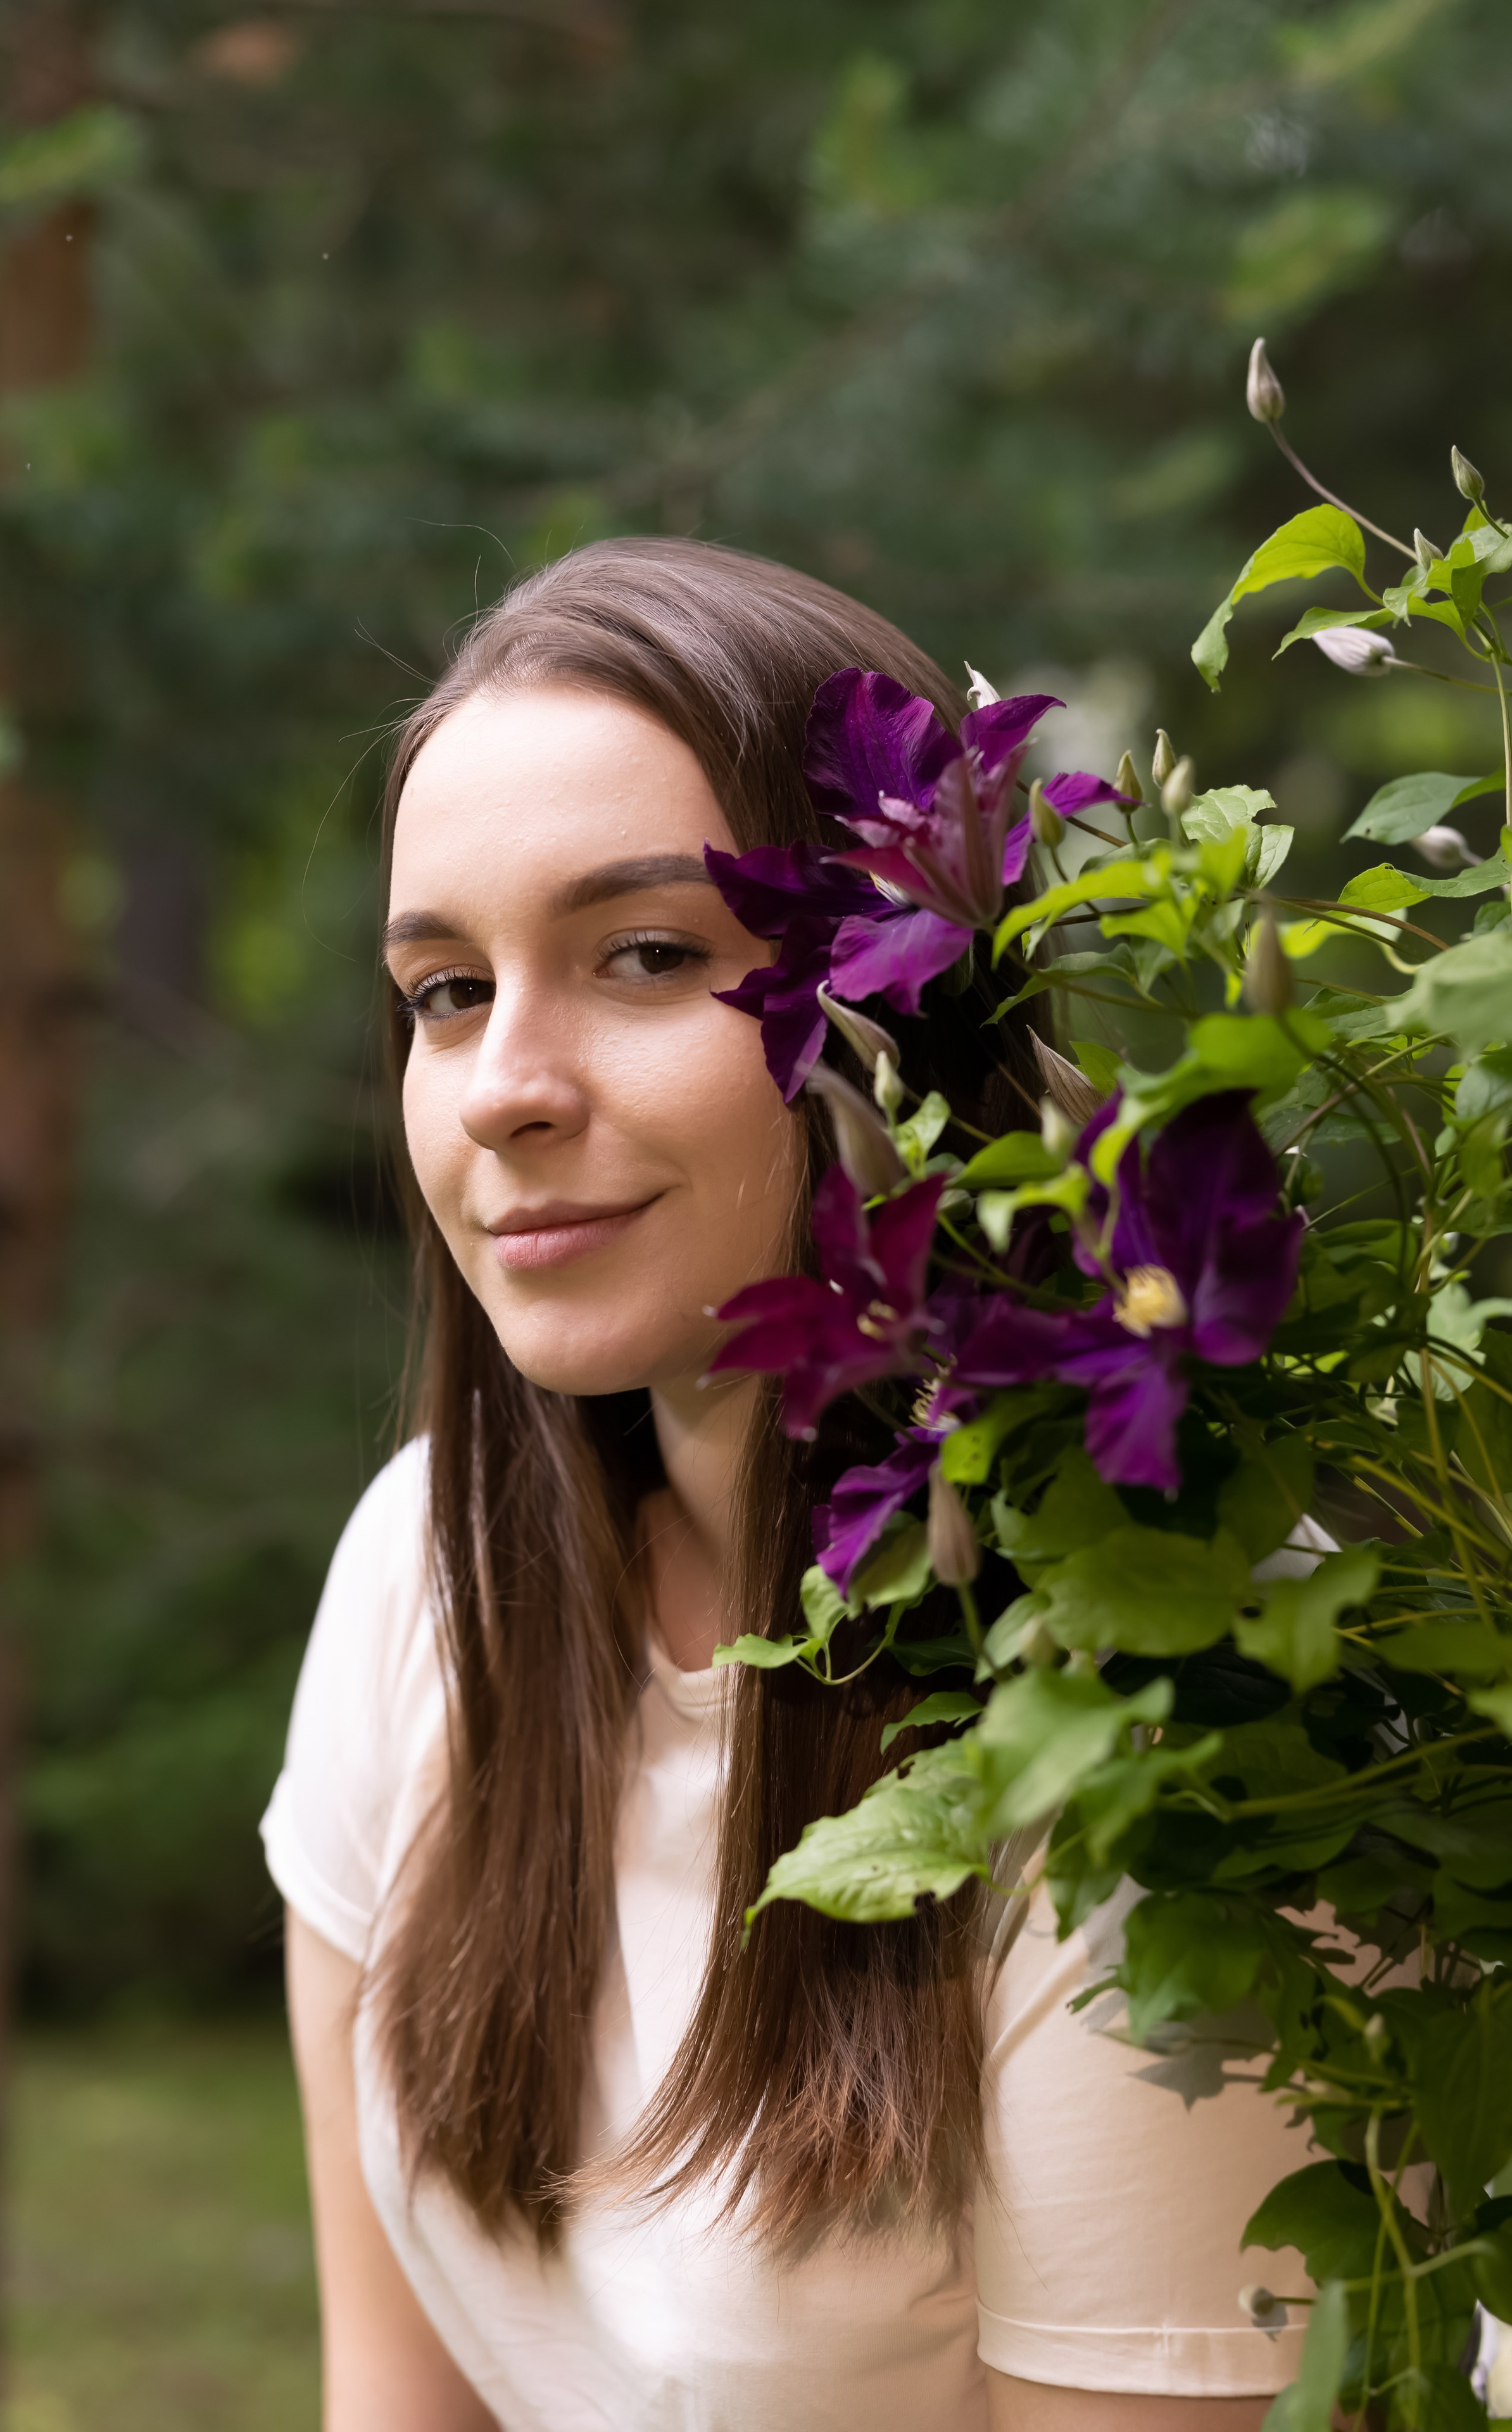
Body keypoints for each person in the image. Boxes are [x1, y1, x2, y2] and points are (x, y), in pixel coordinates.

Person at [261, 538, 1322, 2431]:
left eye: (647, 956)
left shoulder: (1171, 1711)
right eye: (442, 990)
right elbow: (398, 2405)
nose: (503, 1084)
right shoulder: (430, 1573)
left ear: (906, 1001)